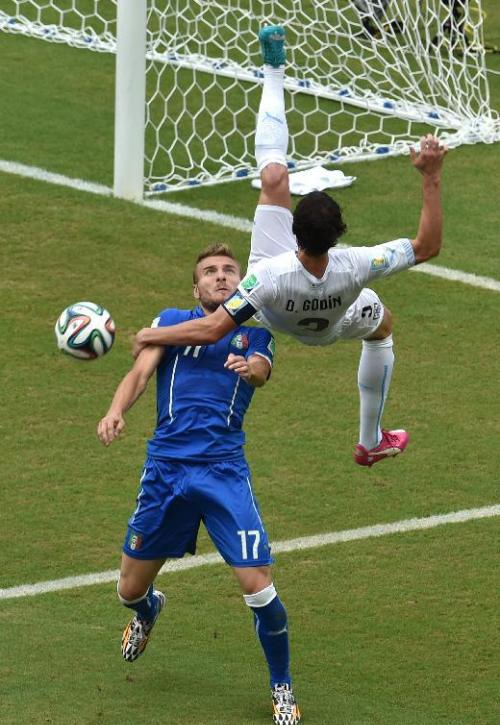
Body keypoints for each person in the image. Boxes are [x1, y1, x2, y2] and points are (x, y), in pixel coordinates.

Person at [133, 26, 448, 469]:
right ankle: (369, 440)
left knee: (273, 179)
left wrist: (151, 334)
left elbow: (210, 330)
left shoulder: (265, 273)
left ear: (292, 232)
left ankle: (273, 71)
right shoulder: (357, 264)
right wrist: (431, 177)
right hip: (337, 322)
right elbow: (427, 246)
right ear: (339, 236)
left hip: (270, 306)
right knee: (383, 326)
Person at [97, 243, 301, 725]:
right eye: (210, 272)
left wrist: (248, 369)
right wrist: (115, 410)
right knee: (128, 588)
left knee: (259, 588)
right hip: (165, 471)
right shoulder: (170, 321)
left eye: (230, 270)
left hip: (223, 471)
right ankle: (148, 610)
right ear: (196, 287)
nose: (222, 277)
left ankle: (281, 684)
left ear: (241, 282)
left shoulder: (255, 335)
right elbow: (139, 373)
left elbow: (262, 373)